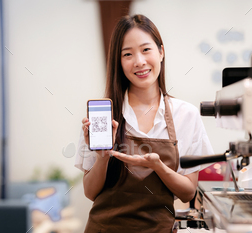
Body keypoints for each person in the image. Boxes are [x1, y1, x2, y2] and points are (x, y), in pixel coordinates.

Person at [75, 14, 214, 233]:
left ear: (161, 51)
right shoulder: (104, 116)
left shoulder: (186, 115)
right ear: (119, 62)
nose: (139, 61)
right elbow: (90, 193)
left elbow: (188, 193)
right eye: (127, 54)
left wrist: (158, 167)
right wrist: (102, 156)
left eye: (146, 49)